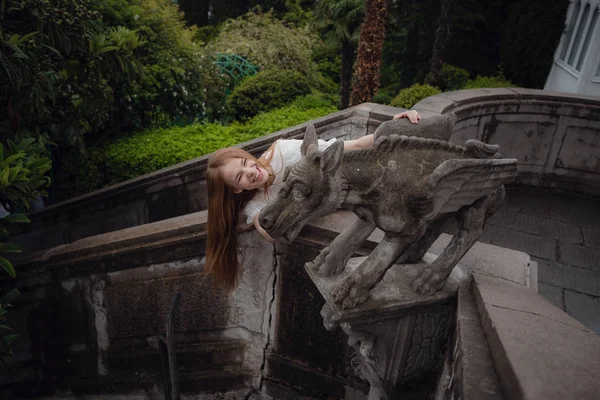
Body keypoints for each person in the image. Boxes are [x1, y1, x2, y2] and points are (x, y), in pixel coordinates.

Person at [204, 110, 421, 291]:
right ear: (235, 189)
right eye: (239, 176)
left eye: (244, 162)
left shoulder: (283, 151)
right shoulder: (256, 203)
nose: (249, 171)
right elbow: (270, 231)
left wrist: (392, 129)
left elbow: (350, 147)